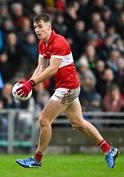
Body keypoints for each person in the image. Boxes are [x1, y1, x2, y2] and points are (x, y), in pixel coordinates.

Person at [15, 14, 119, 168]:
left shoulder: (59, 42)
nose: (37, 30)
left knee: (44, 120)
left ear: (49, 27)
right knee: (78, 123)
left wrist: (31, 83)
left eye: (40, 26)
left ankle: (36, 160)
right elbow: (41, 67)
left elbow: (52, 68)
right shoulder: (42, 44)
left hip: (68, 87)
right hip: (68, 86)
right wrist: (29, 81)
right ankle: (108, 149)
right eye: (35, 27)